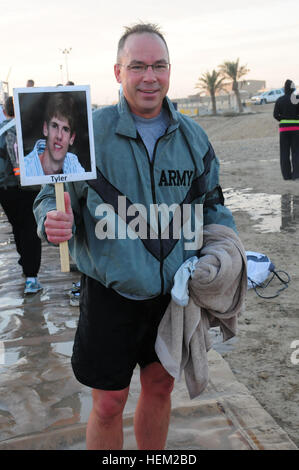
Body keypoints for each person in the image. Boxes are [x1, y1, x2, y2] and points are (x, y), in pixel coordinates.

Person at [33, 23, 238, 449]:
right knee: (108, 402)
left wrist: (230, 251)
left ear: (169, 70)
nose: (150, 76)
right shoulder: (88, 132)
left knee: (160, 389)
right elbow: (48, 199)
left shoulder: (193, 138)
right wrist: (51, 220)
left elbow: (213, 204)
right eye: (138, 66)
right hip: (111, 291)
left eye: (159, 66)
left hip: (174, 295)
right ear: (117, 71)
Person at [0, 97, 42, 294]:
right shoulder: (22, 129)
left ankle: (25, 261)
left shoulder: (1, 127)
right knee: (30, 230)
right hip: (24, 188)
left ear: (6, 111)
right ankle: (32, 277)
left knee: (17, 227)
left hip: (4, 190)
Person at [24, 92, 85, 176]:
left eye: (65, 129)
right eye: (54, 126)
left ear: (72, 138)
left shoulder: (73, 163)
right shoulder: (25, 168)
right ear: (45, 129)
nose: (59, 136)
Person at [273, 79, 299, 180]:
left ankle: (286, 176)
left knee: (284, 152)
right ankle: (296, 175)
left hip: (284, 130)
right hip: (296, 129)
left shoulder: (280, 100)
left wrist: (283, 119)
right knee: (296, 152)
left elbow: (275, 115)